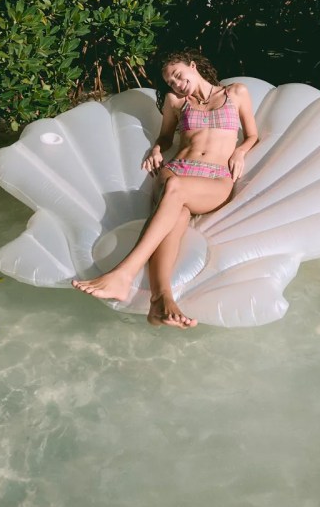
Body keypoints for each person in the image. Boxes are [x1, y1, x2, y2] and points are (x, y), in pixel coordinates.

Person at [71, 50, 258, 328]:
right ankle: (161, 300)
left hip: (215, 179)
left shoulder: (236, 93)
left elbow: (253, 134)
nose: (177, 84)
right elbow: (166, 136)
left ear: (194, 67)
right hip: (177, 171)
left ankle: (124, 273)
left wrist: (240, 152)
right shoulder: (176, 102)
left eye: (179, 76)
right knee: (177, 212)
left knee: (175, 190)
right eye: (171, 82)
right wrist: (157, 149)